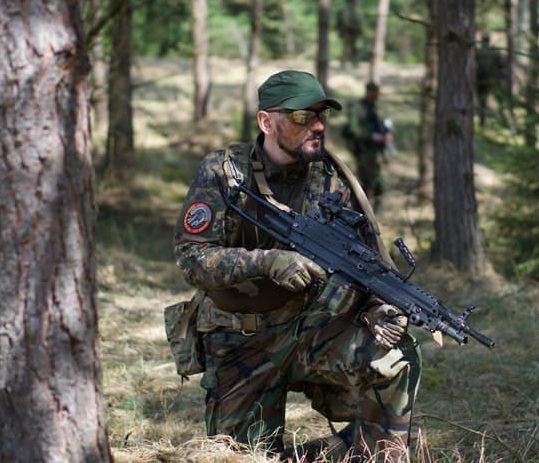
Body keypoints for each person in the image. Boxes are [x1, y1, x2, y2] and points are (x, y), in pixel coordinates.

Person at [173, 70, 421, 462]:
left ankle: (380, 454)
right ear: (266, 122)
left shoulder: (332, 180)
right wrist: (267, 262)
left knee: (395, 355)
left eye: (321, 115)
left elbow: (366, 262)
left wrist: (377, 307)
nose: (317, 126)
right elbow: (192, 258)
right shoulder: (224, 172)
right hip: (242, 341)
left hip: (309, 331)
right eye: (303, 117)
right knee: (249, 455)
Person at [340, 81, 393, 210]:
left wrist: (388, 134)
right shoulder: (358, 108)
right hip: (364, 150)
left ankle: (377, 209)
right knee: (366, 182)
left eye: (377, 93)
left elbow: (386, 125)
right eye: (373, 92)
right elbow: (354, 129)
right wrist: (373, 136)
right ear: (368, 92)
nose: (375, 95)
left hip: (379, 150)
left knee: (381, 181)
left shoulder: (378, 108)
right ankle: (363, 211)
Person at [475, 34, 506, 126]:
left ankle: (482, 122)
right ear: (488, 41)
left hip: (481, 80)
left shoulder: (478, 52)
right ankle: (503, 120)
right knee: (500, 100)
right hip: (493, 80)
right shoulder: (494, 52)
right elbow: (502, 65)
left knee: (482, 102)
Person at [336, 0, 363, 67]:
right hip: (348, 32)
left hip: (353, 32)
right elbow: (346, 22)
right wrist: (353, 29)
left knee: (353, 48)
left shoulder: (355, 10)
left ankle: (354, 63)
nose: (358, 3)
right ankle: (344, 63)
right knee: (347, 48)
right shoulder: (348, 10)